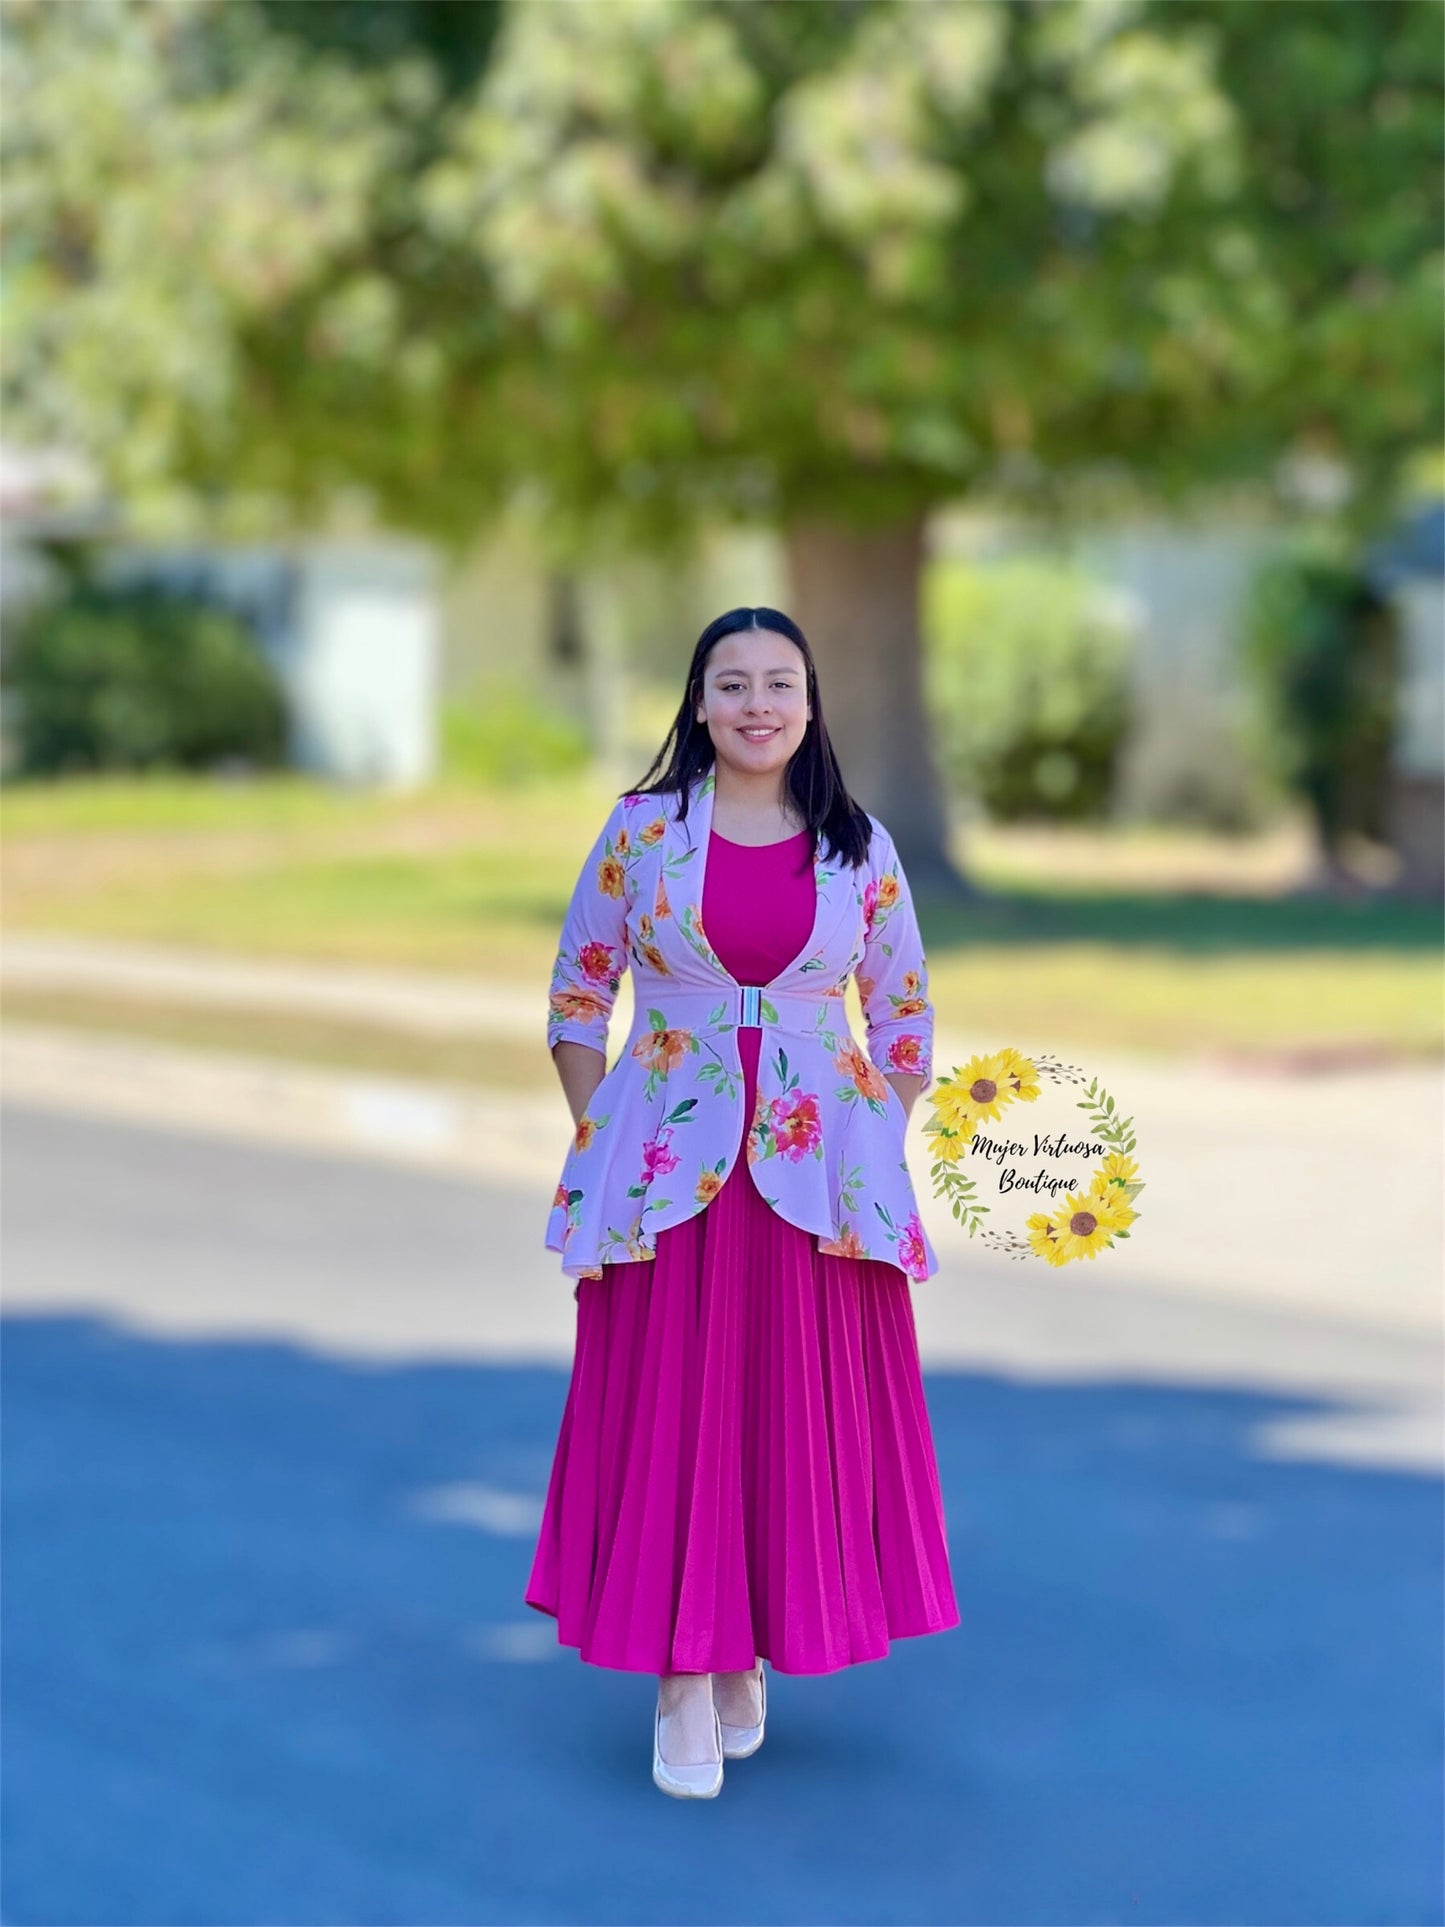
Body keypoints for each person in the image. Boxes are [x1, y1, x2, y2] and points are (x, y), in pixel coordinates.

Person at [525, 606, 959, 1797]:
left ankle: (743, 1642)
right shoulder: (639, 832)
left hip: (816, 1183)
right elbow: (577, 996)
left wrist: (875, 1130)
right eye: (732, 683)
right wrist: (598, 1132)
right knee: (675, 1416)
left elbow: (905, 1017)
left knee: (780, 1415)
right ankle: (680, 1675)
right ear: (698, 702)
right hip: (668, 1179)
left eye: (779, 682)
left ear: (810, 701)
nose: (756, 702)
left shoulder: (859, 848)